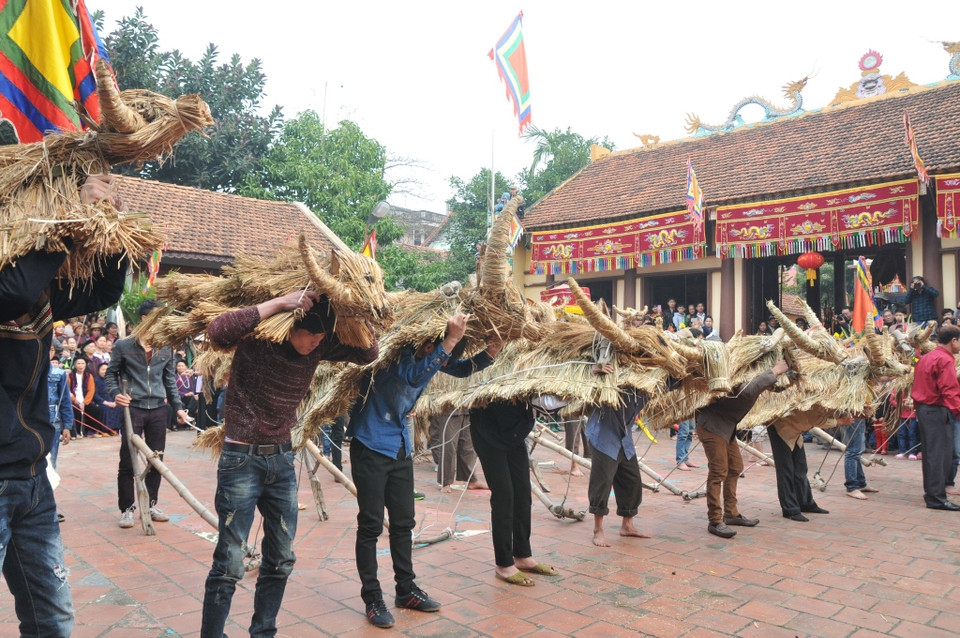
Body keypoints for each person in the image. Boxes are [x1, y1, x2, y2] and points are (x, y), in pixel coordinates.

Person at [199, 291, 378, 638]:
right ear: (291, 325)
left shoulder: (321, 345)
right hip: (242, 460)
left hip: (281, 458)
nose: (313, 343)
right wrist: (280, 304)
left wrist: (356, 312)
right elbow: (218, 331)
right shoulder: (259, 339)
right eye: (308, 335)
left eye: (319, 337)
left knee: (281, 560)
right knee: (229, 563)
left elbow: (369, 352)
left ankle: (263, 632)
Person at [0, 174, 128, 637]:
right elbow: (11, 290)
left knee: (52, 619)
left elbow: (103, 293)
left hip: (31, 477)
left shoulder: (40, 286)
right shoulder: (16, 280)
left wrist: (110, 225)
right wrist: (69, 218)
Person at [348, 313, 498, 627]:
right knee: (371, 525)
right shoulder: (393, 358)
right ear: (427, 344)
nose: (442, 358)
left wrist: (490, 353)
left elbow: (456, 369)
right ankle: (372, 598)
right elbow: (413, 377)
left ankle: (405, 589)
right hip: (371, 446)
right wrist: (452, 339)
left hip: (400, 447)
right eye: (440, 350)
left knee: (404, 522)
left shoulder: (429, 357)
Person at [106, 299, 190, 528]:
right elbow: (110, 374)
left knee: (156, 458)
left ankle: (150, 504)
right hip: (133, 408)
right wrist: (116, 394)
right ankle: (127, 508)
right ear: (145, 319)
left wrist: (179, 407)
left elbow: (170, 380)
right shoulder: (124, 345)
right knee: (128, 459)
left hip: (158, 410)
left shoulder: (165, 346)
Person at [696, 359, 790, 538]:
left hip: (727, 427)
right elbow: (747, 392)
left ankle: (731, 513)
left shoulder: (756, 376)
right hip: (712, 426)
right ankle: (715, 520)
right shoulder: (739, 377)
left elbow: (773, 386)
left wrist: (790, 373)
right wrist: (775, 370)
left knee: (735, 468)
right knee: (718, 472)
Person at [471, 397, 557, 589]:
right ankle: (504, 563)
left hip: (516, 432)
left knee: (523, 494)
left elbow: (549, 400)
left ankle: (522, 555)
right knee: (504, 496)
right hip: (488, 432)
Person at [586, 363, 649, 547]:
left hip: (625, 438)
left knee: (632, 480)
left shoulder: (651, 381)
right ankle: (598, 529)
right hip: (604, 435)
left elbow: (673, 381)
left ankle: (627, 526)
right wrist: (594, 369)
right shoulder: (616, 372)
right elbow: (581, 380)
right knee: (602, 481)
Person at [911, 324, 960, 510]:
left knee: (934, 455)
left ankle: (934, 495)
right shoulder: (945, 360)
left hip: (925, 410)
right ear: (953, 341)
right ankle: (936, 499)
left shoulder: (927, 357)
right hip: (936, 410)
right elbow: (950, 390)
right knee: (939, 456)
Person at [766, 408, 836, 521]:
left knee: (801, 468)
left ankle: (806, 503)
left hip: (796, 428)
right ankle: (790, 509)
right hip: (780, 424)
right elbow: (813, 418)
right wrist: (838, 421)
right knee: (786, 470)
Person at [428, 410, 487, 492]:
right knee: (449, 445)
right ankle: (445, 483)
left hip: (468, 409)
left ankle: (471, 480)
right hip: (448, 408)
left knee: (468, 446)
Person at [47, 354, 74, 468]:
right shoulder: (26, 372)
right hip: (30, 420)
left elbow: (65, 400)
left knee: (51, 463)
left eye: (51, 349)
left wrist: (67, 426)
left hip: (52, 419)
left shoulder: (59, 373)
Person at [68, 356, 97, 437]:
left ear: (85, 365)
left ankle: (90, 432)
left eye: (82, 363)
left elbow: (91, 390)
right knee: (75, 411)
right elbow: (68, 390)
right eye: (78, 364)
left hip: (85, 400)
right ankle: (77, 432)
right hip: (74, 400)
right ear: (75, 365)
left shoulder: (89, 376)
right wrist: (74, 400)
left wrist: (85, 402)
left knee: (93, 409)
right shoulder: (70, 376)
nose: (81, 366)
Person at [892, 395, 919, 459]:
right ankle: (902, 452)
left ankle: (912, 453)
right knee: (901, 434)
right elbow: (892, 400)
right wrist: (901, 405)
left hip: (913, 415)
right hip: (902, 415)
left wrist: (914, 406)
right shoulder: (899, 387)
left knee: (912, 434)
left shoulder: (914, 387)